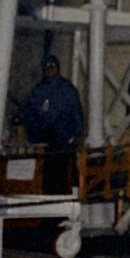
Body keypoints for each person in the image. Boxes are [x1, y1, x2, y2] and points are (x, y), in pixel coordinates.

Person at [24, 55, 85, 195]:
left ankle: (62, 198)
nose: (49, 70)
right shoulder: (38, 90)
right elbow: (31, 113)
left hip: (63, 140)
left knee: (62, 173)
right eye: (47, 67)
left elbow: (76, 112)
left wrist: (77, 134)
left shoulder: (66, 89)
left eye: (52, 67)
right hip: (44, 141)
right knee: (45, 175)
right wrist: (33, 135)